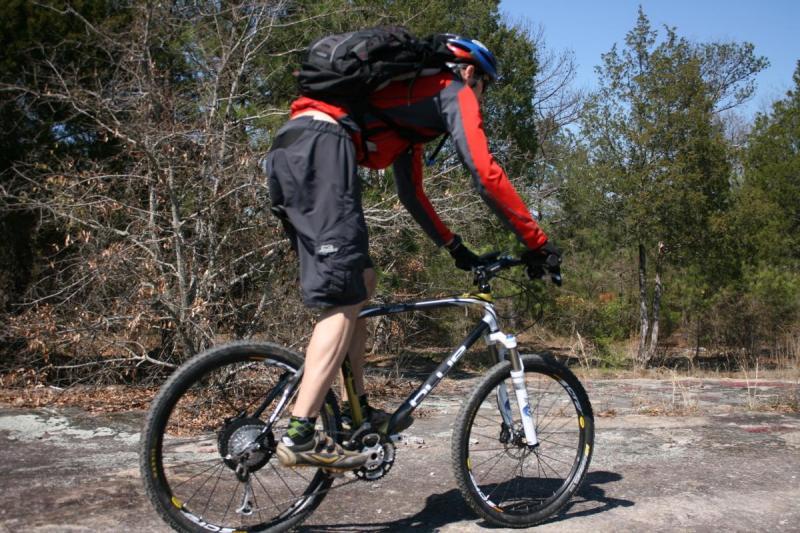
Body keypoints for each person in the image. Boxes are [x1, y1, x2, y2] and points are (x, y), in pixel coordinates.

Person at [264, 36, 561, 470]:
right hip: (321, 150)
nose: (481, 97)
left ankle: (354, 413)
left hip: (292, 152)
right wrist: (538, 242)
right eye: (485, 86)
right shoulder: (451, 89)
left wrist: (457, 248)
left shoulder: (405, 114)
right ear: (470, 72)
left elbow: (412, 194)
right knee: (344, 296)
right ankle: (301, 432)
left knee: (360, 281)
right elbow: (485, 173)